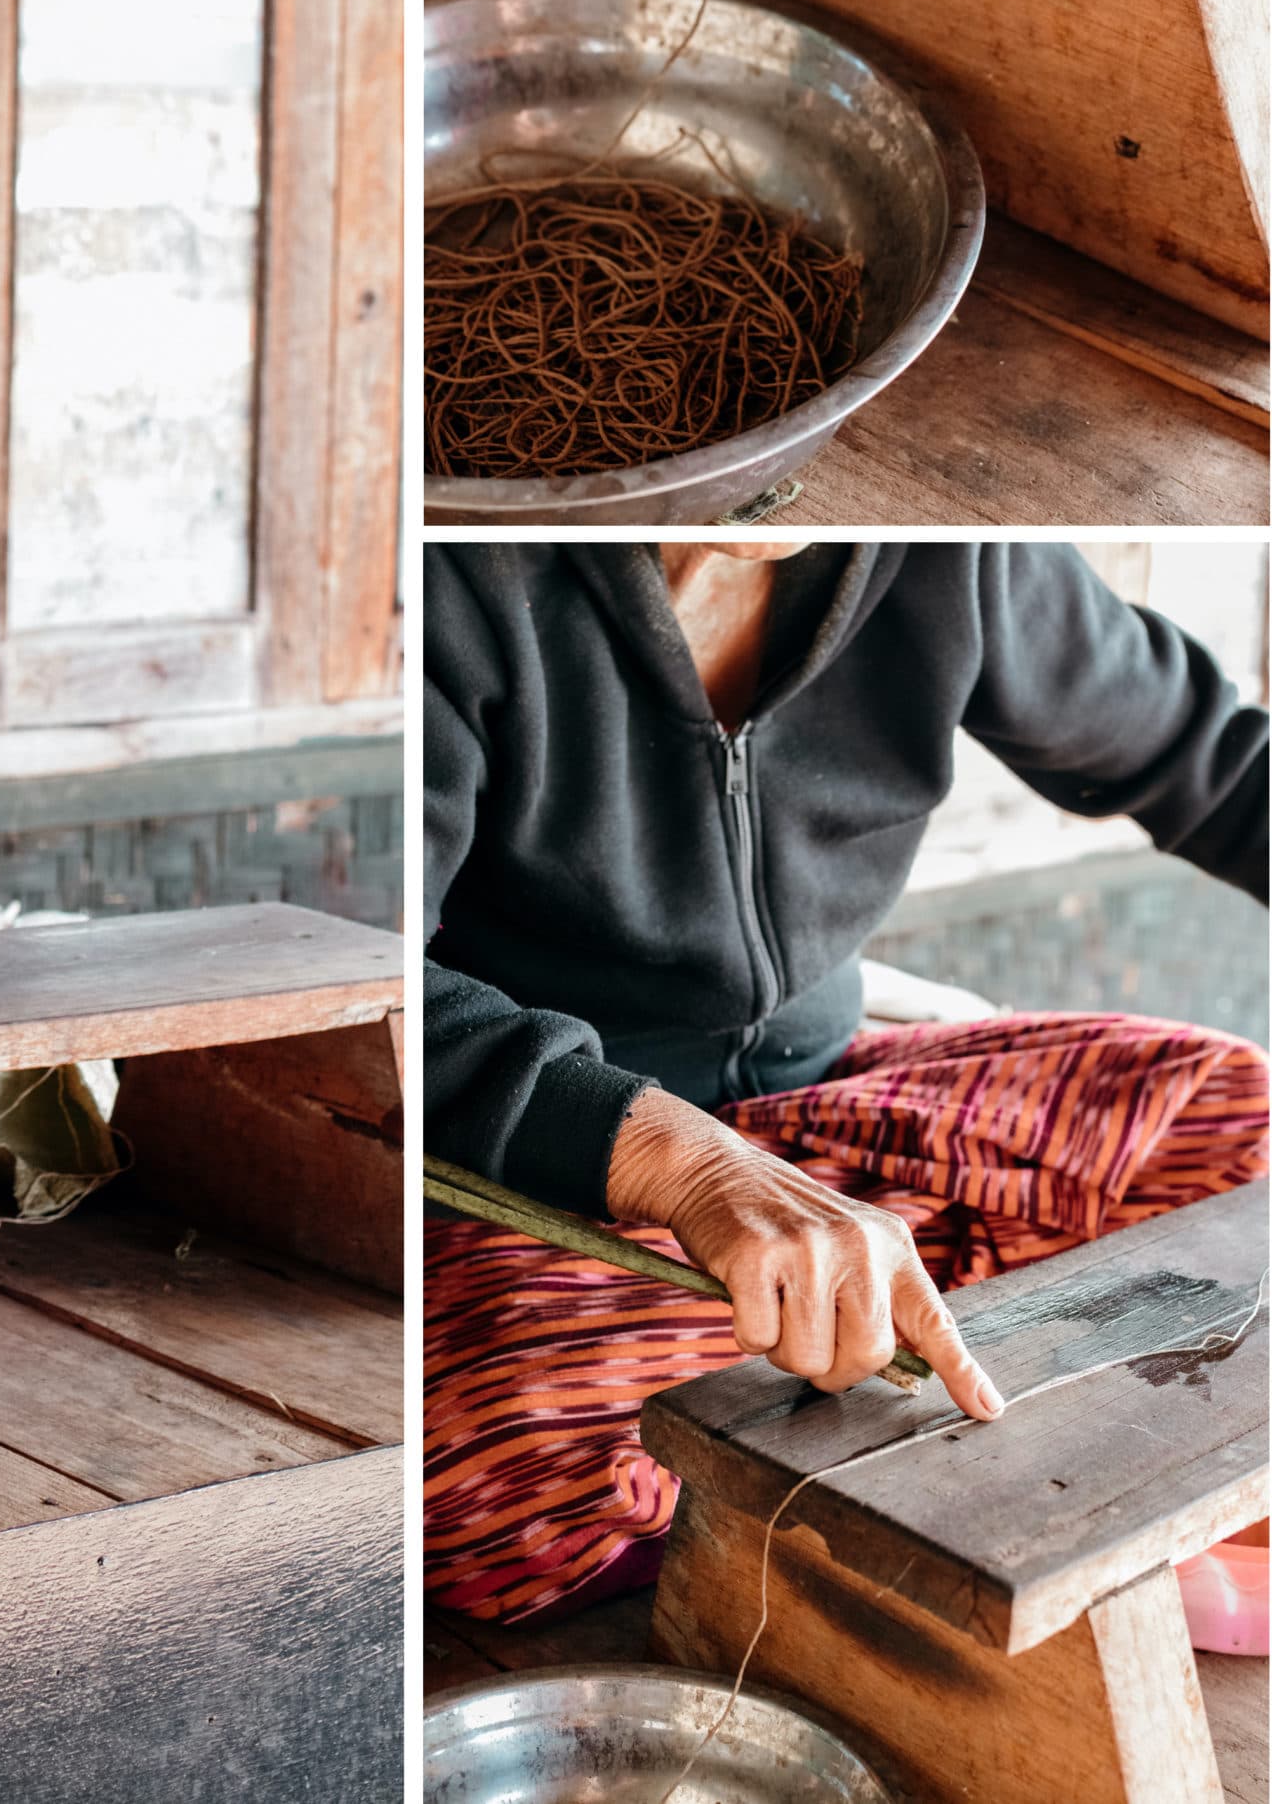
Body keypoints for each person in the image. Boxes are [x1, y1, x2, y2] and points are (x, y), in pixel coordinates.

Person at [424, 539, 1269, 1617]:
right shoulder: (458, 579)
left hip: (839, 1099)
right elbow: (386, 988)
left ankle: (867, 1346)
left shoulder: (942, 547)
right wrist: (679, 1163)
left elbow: (1216, 759)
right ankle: (856, 1388)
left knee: (1229, 1114)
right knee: (485, 1440)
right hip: (569, 1154)